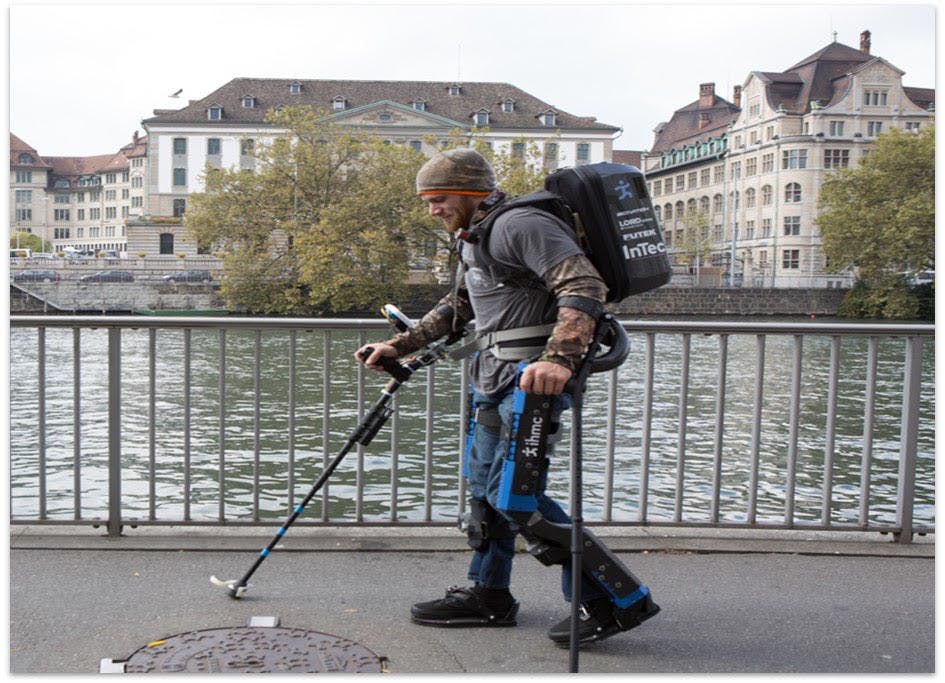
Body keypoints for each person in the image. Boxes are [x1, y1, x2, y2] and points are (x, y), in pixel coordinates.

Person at [355, 148, 659, 646]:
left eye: (440, 198)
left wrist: (558, 360)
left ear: (472, 193)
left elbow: (584, 284)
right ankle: (488, 595)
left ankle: (618, 599)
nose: (432, 209)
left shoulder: (521, 225)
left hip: (531, 385)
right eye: (426, 200)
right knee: (483, 494)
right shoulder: (475, 236)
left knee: (516, 498)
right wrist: (400, 344)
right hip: (492, 380)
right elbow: (461, 304)